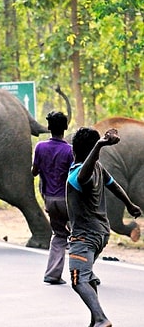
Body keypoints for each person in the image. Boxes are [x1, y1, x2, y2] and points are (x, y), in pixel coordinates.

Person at [66, 127, 141, 327]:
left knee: (78, 278)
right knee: (87, 274)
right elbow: (114, 185)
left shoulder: (78, 174)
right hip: (101, 233)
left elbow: (83, 177)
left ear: (74, 150)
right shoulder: (98, 167)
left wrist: (100, 144)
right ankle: (94, 320)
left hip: (84, 236)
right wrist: (129, 204)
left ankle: (101, 319)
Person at [31, 111, 73, 285]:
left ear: (48, 127)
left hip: (49, 199)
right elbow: (74, 177)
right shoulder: (70, 151)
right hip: (67, 201)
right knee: (79, 235)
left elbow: (34, 172)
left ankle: (52, 274)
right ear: (65, 127)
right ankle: (85, 274)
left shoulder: (40, 147)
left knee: (58, 235)